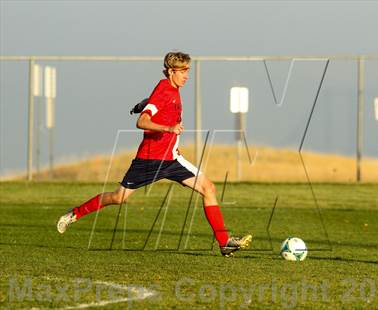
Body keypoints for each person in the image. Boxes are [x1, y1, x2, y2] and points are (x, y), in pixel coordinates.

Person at [57, 51, 252, 257]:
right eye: (182, 71)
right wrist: (168, 128)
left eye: (188, 71)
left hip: (172, 160)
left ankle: (224, 242)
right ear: (170, 71)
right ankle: (74, 214)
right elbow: (141, 122)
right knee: (118, 197)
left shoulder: (171, 89)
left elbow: (155, 104)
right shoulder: (165, 89)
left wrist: (144, 104)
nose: (187, 76)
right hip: (148, 161)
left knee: (208, 188)